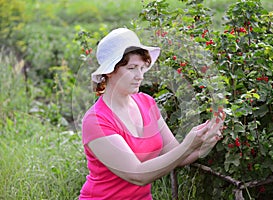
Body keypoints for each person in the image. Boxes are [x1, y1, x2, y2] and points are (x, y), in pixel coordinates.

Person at [79, 27, 224, 200]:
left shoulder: (146, 103)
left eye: (142, 68)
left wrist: (206, 141)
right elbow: (136, 175)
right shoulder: (96, 121)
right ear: (110, 71)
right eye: (132, 68)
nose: (139, 76)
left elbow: (176, 155)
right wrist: (188, 145)